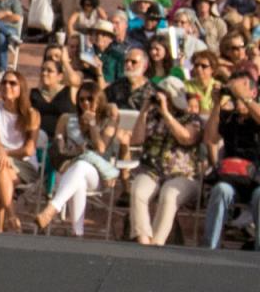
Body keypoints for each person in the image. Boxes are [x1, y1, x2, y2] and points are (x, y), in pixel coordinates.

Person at [35, 84, 120, 236]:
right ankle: (77, 233)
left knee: (81, 165)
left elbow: (101, 148)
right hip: (68, 169)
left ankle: (52, 208)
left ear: (99, 100)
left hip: (97, 174)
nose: (85, 103)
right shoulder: (67, 119)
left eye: (90, 99)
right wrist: (71, 150)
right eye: (81, 100)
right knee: (78, 177)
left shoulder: (108, 121)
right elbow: (58, 147)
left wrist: (93, 125)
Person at [128, 76, 203, 246]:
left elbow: (186, 138)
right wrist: (144, 111)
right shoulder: (153, 116)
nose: (162, 98)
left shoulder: (191, 119)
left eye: (166, 95)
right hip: (153, 170)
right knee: (138, 190)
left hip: (183, 175)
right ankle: (143, 241)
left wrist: (166, 113)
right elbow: (136, 140)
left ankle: (157, 243)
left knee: (169, 194)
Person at [202, 71, 260, 250]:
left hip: (256, 179)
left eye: (242, 87)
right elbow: (210, 138)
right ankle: (211, 248)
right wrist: (217, 104)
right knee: (220, 190)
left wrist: (246, 100)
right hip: (232, 178)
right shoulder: (230, 117)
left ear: (253, 92)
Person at [0, 70, 40, 233]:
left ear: (21, 88)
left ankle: (1, 229)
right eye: (4, 82)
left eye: (13, 83)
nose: (7, 85)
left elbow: (28, 150)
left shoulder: (32, 114)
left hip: (23, 165)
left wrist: (3, 154)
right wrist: (0, 152)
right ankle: (11, 217)